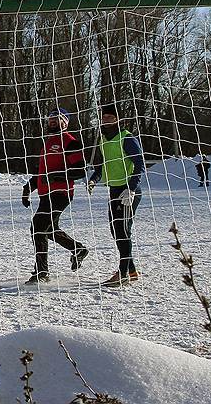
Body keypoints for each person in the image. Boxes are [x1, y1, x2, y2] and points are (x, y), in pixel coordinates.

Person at [21, 108, 89, 284]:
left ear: (65, 122)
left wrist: (58, 176)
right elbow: (41, 172)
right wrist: (28, 188)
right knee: (48, 229)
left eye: (56, 119)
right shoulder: (48, 143)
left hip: (60, 193)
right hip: (45, 194)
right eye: (50, 119)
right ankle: (78, 249)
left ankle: (42, 272)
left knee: (38, 226)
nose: (52, 122)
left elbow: (80, 170)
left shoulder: (70, 142)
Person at [87, 104, 145, 287]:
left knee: (122, 230)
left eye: (110, 118)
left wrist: (132, 188)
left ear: (118, 120)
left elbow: (139, 163)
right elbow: (104, 164)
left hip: (128, 192)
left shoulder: (127, 138)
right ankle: (132, 270)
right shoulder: (104, 139)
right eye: (104, 118)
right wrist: (94, 179)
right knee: (117, 230)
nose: (106, 121)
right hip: (114, 190)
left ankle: (122, 273)